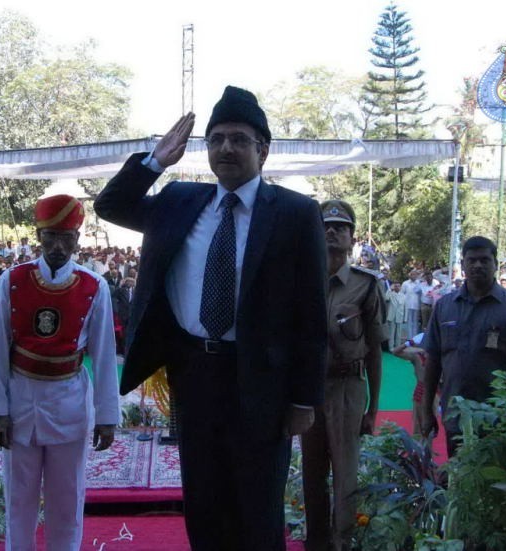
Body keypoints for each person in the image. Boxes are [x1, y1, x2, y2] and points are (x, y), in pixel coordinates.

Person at [94, 86, 327, 551]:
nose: (226, 148)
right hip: (194, 373)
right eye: (216, 138)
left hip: (262, 380)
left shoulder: (296, 213)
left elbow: (311, 313)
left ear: (263, 149)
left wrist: (304, 399)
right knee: (203, 500)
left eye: (239, 139)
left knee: (258, 505)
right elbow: (111, 206)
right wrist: (156, 161)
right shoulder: (180, 201)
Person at [0, 194, 119, 551]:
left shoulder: (94, 287)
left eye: (66, 238)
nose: (58, 246)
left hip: (70, 402)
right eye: (50, 237)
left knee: (67, 499)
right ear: (38, 236)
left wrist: (107, 416)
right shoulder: (11, 281)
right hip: (19, 402)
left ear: (78, 238)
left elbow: (104, 356)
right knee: (19, 499)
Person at [301, 200, 382, 551]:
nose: (332, 231)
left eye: (341, 227)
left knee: (345, 473)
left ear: (352, 239)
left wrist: (372, 408)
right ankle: (316, 540)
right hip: (309, 388)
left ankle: (342, 541)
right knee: (311, 472)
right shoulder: (301, 280)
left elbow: (375, 349)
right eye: (326, 226)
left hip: (348, 387)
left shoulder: (365, 285)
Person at [420, 236, 506, 457]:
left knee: (494, 483)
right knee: (458, 478)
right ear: (463, 264)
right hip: (455, 413)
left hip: (499, 418)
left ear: (495, 264)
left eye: (484, 260)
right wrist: (427, 410)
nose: (477, 265)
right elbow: (433, 362)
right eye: (472, 260)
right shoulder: (445, 307)